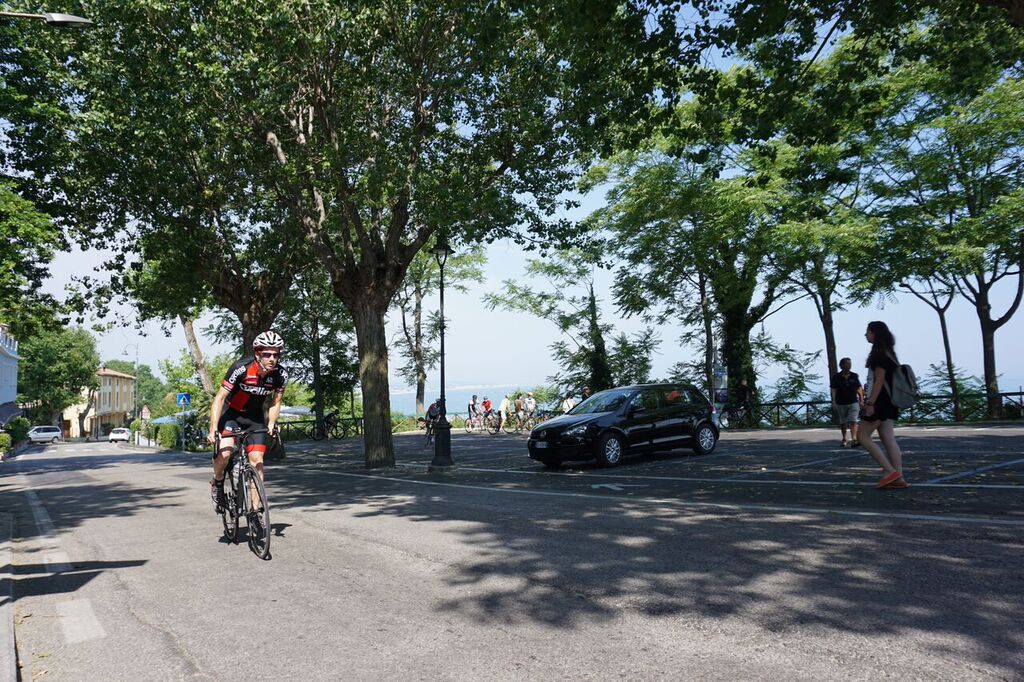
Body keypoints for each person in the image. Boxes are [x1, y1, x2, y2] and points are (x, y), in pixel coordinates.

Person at [208, 330, 288, 514]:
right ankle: (217, 481)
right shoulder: (241, 368)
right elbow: (219, 398)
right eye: (267, 354)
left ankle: (255, 511)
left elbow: (276, 402)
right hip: (231, 415)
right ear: (258, 353)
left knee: (257, 462)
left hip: (254, 419)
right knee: (226, 452)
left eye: (276, 354)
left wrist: (271, 424)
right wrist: (212, 428)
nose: (272, 358)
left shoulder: (280, 375)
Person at [860, 321, 907, 489]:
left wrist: (870, 402)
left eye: (868, 331)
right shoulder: (890, 354)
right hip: (890, 401)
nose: (865, 334)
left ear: (875, 334)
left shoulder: (879, 355)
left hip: (879, 401)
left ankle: (889, 471)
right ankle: (898, 476)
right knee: (888, 438)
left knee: (862, 436)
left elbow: (879, 381)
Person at [831, 357, 864, 447]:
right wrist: (833, 401)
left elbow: (859, 388)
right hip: (841, 402)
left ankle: (854, 438)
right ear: (841, 365)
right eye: (847, 364)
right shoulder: (836, 377)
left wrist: (861, 399)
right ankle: (844, 438)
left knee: (853, 420)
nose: (849, 365)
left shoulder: (854, 376)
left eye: (850, 364)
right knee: (843, 422)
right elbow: (834, 389)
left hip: (853, 401)